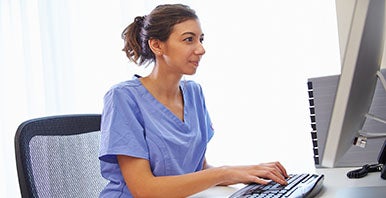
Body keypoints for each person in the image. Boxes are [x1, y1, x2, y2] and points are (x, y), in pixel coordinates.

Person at [98, 4, 289, 197]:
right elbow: (144, 189)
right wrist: (224, 172)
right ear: (157, 45)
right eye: (189, 39)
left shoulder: (194, 92)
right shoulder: (123, 97)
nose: (201, 49)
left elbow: (199, 169)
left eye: (201, 39)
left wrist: (246, 174)